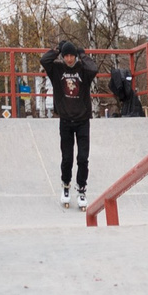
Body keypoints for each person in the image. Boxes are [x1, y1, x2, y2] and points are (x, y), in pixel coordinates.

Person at [40, 40, 99, 209]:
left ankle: (81, 189)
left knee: (82, 158)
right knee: (67, 158)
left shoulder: (83, 70)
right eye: (66, 56)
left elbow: (94, 68)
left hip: (82, 121)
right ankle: (66, 186)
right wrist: (57, 49)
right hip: (65, 121)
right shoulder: (57, 69)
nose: (69, 59)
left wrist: (82, 54)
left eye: (71, 56)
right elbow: (44, 60)